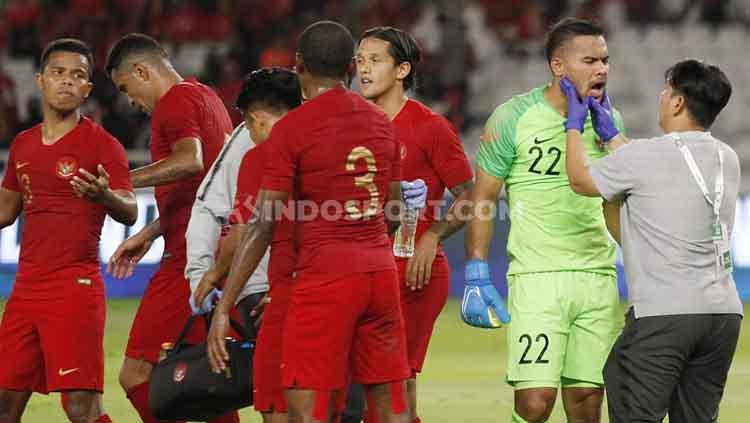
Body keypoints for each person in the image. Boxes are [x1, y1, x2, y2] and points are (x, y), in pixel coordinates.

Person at [206, 20, 411, 423]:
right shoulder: (381, 123)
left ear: (298, 64)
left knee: (305, 411)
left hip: (323, 280)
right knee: (392, 409)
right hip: (380, 277)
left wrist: (224, 305)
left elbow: (262, 225)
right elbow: (395, 212)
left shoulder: (293, 129)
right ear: (351, 67)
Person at [461, 18, 626, 423]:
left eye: (605, 59)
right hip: (537, 276)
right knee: (535, 402)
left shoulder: (609, 122)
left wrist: (638, 261)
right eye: (590, 60)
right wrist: (477, 270)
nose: (602, 68)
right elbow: (483, 198)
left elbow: (614, 202)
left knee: (587, 401)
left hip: (597, 276)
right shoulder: (512, 117)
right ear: (558, 66)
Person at [562, 59, 742, 423]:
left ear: (677, 103)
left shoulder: (645, 156)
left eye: (667, 90)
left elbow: (580, 179)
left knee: (632, 408)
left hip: (665, 314)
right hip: (722, 315)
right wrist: (613, 137)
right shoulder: (727, 157)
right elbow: (660, 168)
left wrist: (573, 125)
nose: (661, 97)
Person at [0, 38, 137, 423]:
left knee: (82, 408)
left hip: (74, 290)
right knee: (4, 404)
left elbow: (129, 210)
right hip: (25, 292)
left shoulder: (103, 146)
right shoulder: (23, 145)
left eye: (78, 75)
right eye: (58, 73)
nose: (67, 82)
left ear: (87, 89)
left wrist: (105, 195)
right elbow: (6, 210)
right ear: (40, 81)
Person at [103, 33, 237, 423]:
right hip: (219, 251)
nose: (130, 100)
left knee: (136, 374)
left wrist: (119, 182)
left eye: (127, 88)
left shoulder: (173, 103)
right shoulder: (206, 97)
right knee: (212, 377)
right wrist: (150, 232)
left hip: (188, 261)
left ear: (142, 71)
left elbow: (190, 161)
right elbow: (209, 184)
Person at [355, 26, 473, 423]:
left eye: (375, 60)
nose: (364, 69)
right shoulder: (349, 126)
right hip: (357, 271)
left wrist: (433, 237)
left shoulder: (429, 127)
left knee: (392, 387)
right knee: (365, 388)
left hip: (412, 274)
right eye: (359, 60)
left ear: (402, 69)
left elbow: (470, 198)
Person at [193, 67, 302, 423]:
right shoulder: (333, 143)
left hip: (274, 292)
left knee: (278, 405)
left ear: (256, 119)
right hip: (336, 288)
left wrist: (214, 280)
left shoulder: (261, 157)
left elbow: (244, 232)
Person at [185, 71, 272, 326]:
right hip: (271, 285)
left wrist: (208, 277)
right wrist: (202, 275)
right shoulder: (249, 141)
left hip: (279, 285)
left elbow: (239, 225)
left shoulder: (253, 150)